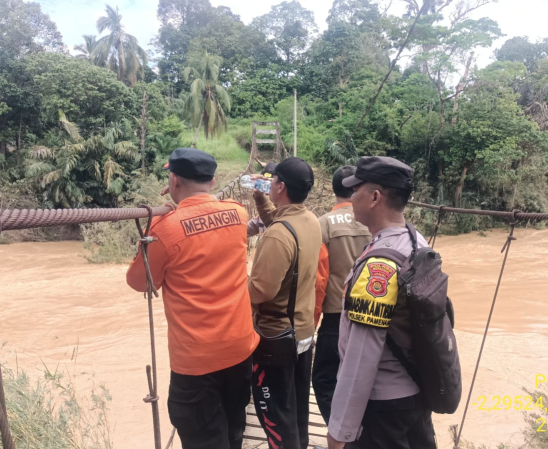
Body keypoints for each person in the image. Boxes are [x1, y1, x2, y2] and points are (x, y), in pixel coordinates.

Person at [126, 148, 259, 449]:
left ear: (173, 180)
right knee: (233, 430)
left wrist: (158, 223)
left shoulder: (166, 229)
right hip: (240, 349)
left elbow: (138, 281)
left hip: (196, 362)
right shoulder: (238, 213)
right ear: (212, 181)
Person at [327, 156, 436, 449]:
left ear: (374, 197)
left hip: (383, 410)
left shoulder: (381, 265)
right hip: (415, 394)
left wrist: (340, 430)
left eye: (355, 189)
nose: (350, 197)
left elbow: (362, 356)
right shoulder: (416, 242)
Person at [248, 157, 321, 449]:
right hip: (301, 334)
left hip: (275, 340)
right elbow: (281, 226)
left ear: (279, 186)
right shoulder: (310, 220)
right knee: (296, 407)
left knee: (276, 416)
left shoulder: (278, 235)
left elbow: (260, 291)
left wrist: (228, 279)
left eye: (272, 180)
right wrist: (259, 199)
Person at [312, 165, 371, 425]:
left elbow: (318, 281)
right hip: (373, 315)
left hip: (336, 317)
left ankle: (339, 434)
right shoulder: (374, 220)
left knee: (324, 379)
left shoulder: (322, 224)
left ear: (334, 189)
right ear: (357, 188)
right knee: (366, 378)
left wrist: (310, 325)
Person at [247, 163, 278, 237]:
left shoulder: (284, 213)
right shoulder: (261, 216)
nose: (267, 188)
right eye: (265, 183)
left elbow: (274, 222)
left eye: (271, 183)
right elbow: (243, 231)